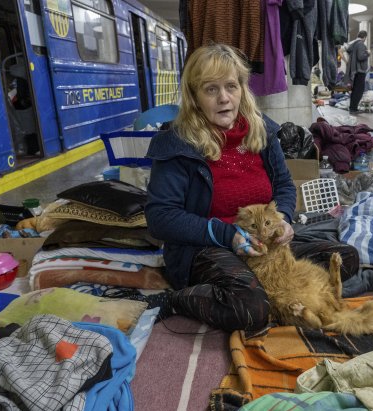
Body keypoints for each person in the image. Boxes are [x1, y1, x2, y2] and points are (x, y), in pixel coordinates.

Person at [145, 44, 359, 332]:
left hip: (265, 246)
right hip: (208, 247)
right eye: (211, 89)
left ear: (242, 89)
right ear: (194, 97)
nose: (224, 98)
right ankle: (176, 300)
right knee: (251, 309)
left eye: (231, 86)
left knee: (346, 257)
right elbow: (161, 217)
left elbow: (284, 185)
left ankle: (265, 291)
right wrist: (227, 234)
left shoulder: (261, 130)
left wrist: (282, 219)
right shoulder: (177, 144)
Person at [343, 30, 370, 114]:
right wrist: (368, 53)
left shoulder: (353, 44)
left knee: (355, 90)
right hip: (360, 70)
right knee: (359, 90)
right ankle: (353, 109)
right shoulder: (361, 44)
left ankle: (352, 108)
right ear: (365, 37)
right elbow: (360, 57)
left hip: (355, 70)